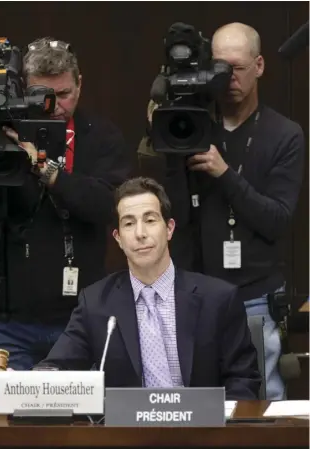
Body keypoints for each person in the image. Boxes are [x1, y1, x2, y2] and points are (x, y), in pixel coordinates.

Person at [0, 37, 130, 390]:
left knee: (80, 433)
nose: (54, 106)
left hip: (78, 319)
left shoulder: (102, 137)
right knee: (9, 434)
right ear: (22, 90)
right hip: (9, 323)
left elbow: (107, 206)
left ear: (80, 86)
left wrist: (45, 169)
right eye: (40, 95)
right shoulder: (0, 136)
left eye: (64, 94)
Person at [161, 23, 305, 400]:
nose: (228, 79)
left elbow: (276, 219)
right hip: (198, 295)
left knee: (261, 404)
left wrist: (224, 174)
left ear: (259, 66)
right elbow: (172, 214)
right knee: (200, 408)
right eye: (219, 68)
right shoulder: (190, 126)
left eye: (237, 68)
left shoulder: (284, 134)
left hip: (256, 296)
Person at [35, 177, 261, 400]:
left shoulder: (218, 299)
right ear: (119, 238)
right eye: (129, 223)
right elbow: (58, 368)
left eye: (150, 220)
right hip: (128, 433)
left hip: (201, 431)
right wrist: (26, 383)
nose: (140, 233)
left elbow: (243, 380)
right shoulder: (96, 303)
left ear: (169, 229)